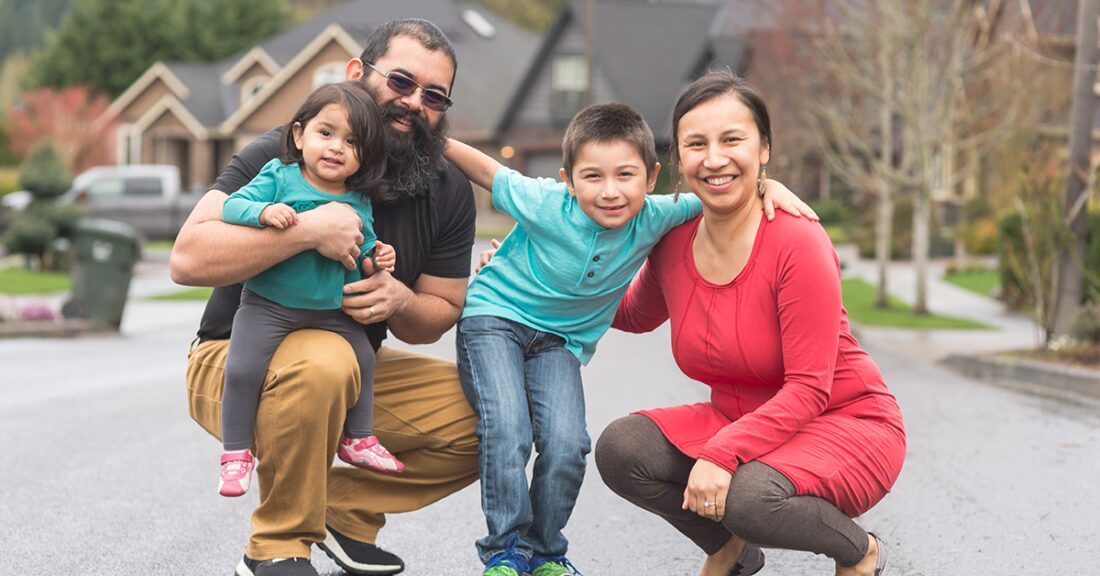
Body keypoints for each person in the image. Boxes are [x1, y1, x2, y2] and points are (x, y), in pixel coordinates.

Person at [446, 103, 815, 576]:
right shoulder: (544, 203)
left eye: (625, 175)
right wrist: (432, 137)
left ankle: (544, 553)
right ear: (568, 179)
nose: (611, 191)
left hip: (559, 342)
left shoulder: (656, 215)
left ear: (652, 176)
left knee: (567, 444)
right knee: (509, 429)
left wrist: (767, 184)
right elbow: (488, 169)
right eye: (593, 177)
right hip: (495, 320)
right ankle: (503, 550)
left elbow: (718, 193)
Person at [171, 19, 478, 576]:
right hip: (235, 359)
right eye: (402, 82)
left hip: (350, 368)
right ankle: (277, 547)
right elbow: (187, 257)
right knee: (327, 361)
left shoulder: (447, 188)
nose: (413, 103)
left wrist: (399, 301)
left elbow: (441, 311)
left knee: (500, 412)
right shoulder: (289, 152)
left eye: (433, 95)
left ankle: (345, 513)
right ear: (357, 74)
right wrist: (306, 231)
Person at [594, 71, 906, 576]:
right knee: (622, 449)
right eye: (697, 143)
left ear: (763, 149)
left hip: (843, 421)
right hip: (741, 422)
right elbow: (632, 313)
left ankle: (860, 550)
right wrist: (546, 280)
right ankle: (732, 550)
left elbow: (810, 389)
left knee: (748, 498)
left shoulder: (797, 242)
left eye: (732, 139)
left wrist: (722, 455)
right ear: (680, 159)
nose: (714, 158)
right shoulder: (675, 238)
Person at [217, 81, 404, 499]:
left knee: (364, 360)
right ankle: (235, 455)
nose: (337, 147)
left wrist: (379, 258)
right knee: (243, 369)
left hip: (330, 311)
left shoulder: (358, 198)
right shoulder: (279, 177)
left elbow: (363, 251)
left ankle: (359, 438)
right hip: (269, 304)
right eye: (326, 133)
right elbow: (230, 206)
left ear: (365, 157)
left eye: (352, 142)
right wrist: (263, 211)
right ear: (299, 135)